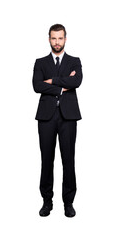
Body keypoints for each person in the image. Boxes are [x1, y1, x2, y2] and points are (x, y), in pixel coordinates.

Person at [32, 24, 83, 217]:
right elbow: (37, 86)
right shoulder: (40, 62)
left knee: (68, 160)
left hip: (68, 116)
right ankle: (47, 201)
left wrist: (52, 81)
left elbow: (76, 81)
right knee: (47, 160)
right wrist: (63, 85)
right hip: (46, 116)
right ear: (49, 39)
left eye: (60, 38)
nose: (57, 42)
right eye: (54, 38)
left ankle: (68, 203)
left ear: (65, 39)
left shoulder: (75, 61)